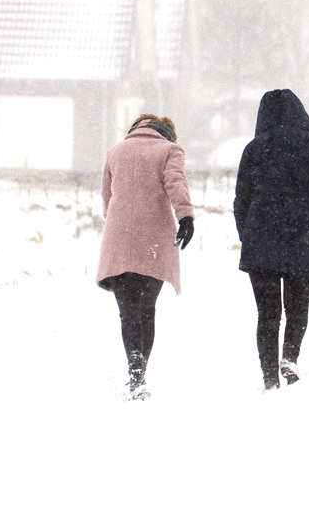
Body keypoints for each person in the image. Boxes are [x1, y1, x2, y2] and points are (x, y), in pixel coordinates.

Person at [234, 89, 309, 391]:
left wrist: (246, 235)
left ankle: (269, 377)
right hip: (298, 234)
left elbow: (241, 201)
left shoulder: (253, 149)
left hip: (261, 240)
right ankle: (289, 359)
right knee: (297, 308)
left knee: (268, 313)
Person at [97, 114, 194, 401]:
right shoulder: (169, 151)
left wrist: (121, 222)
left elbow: (107, 199)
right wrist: (185, 217)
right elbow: (176, 183)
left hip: (119, 241)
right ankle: (140, 377)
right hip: (153, 241)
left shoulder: (115, 152)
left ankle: (135, 373)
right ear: (166, 133)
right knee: (146, 309)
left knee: (128, 312)